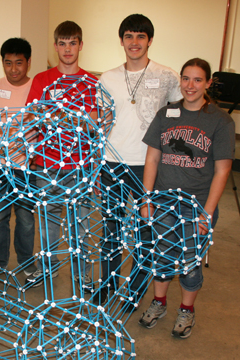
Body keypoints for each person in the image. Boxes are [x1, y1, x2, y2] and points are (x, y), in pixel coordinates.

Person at [139, 58, 235, 338]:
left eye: (197, 80)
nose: (190, 86)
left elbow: (222, 170)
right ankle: (159, 303)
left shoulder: (221, 120)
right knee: (162, 255)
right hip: (163, 202)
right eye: (185, 79)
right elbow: (152, 159)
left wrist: (207, 213)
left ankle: (186, 309)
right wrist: (147, 200)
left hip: (197, 206)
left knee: (190, 261)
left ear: (207, 83)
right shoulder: (165, 114)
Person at [96, 14, 182, 307]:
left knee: (146, 232)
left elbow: (183, 110)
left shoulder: (168, 76)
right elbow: (101, 123)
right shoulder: (107, 78)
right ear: (121, 40)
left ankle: (134, 291)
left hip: (150, 164)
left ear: (150, 40)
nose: (134, 42)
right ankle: (107, 286)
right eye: (129, 36)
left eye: (140, 36)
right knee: (111, 230)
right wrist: (97, 164)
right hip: (112, 162)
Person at [24, 21, 97, 289]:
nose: (68, 49)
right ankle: (48, 269)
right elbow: (30, 117)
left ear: (81, 45)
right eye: (62, 43)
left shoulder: (92, 83)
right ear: (55, 46)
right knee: (48, 224)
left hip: (81, 167)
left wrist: (60, 117)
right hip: (47, 164)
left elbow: (96, 126)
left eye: (73, 42)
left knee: (81, 225)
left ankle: (83, 275)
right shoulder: (42, 80)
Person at [0, 37, 37, 278]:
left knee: (25, 220)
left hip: (27, 168)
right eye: (8, 63)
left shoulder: (38, 88)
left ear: (29, 62)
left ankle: (26, 263)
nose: (14, 69)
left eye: (19, 63)